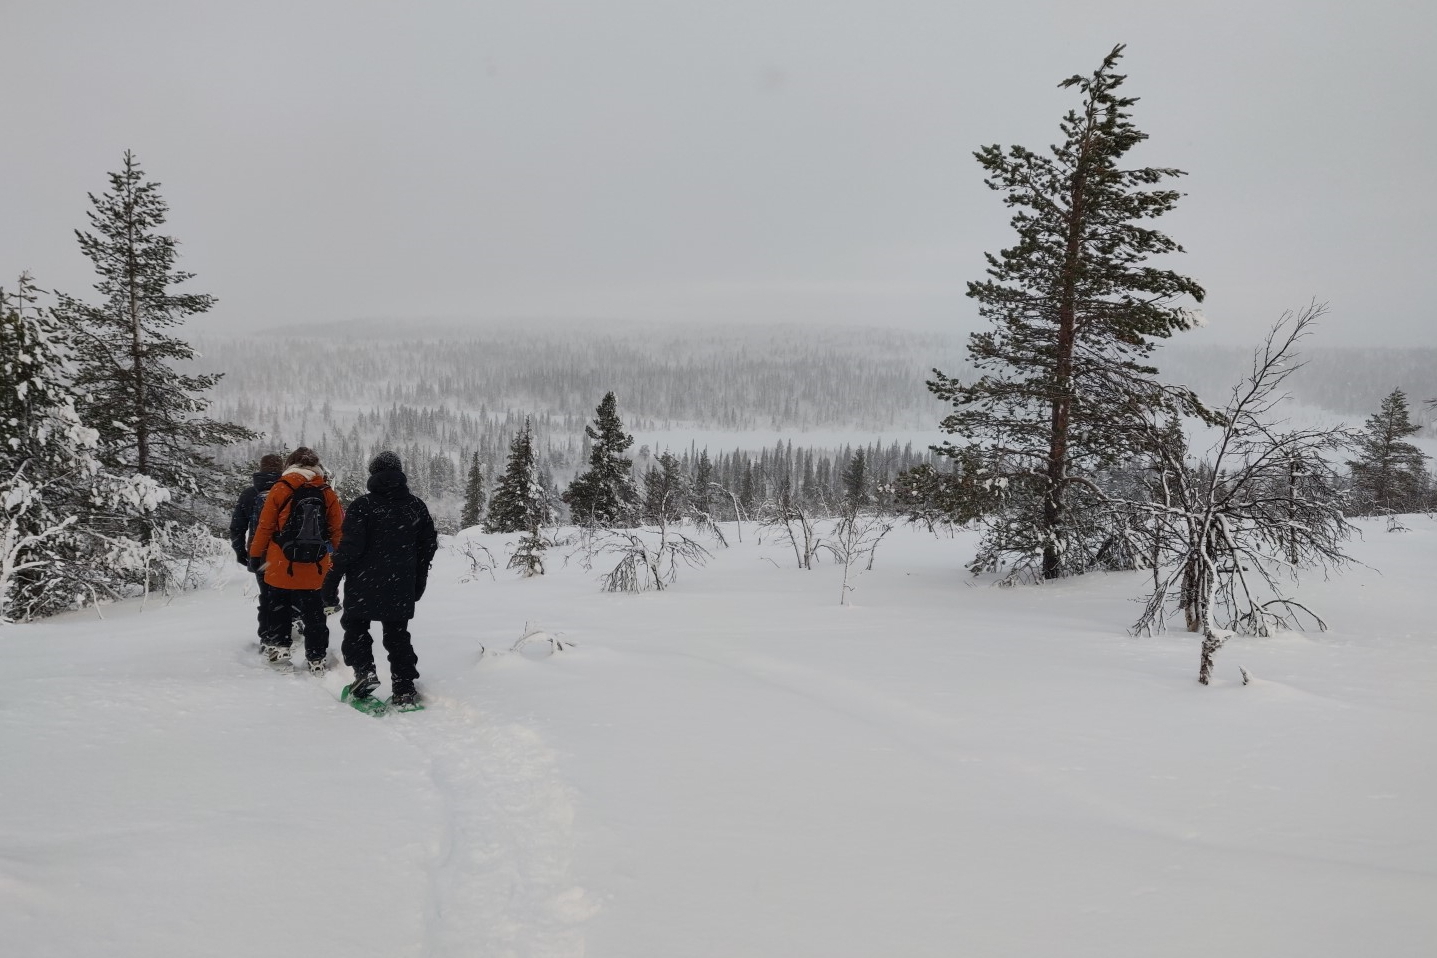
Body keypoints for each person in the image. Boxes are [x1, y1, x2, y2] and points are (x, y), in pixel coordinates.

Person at [323, 450, 438, 708]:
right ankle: (404, 687)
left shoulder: (363, 506)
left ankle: (365, 674)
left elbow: (348, 550)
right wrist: (417, 583)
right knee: (398, 635)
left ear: (373, 474)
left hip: (363, 582)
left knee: (355, 628)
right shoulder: (415, 506)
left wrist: (331, 582)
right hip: (401, 582)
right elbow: (427, 549)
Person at [248, 447, 344, 672]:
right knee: (315, 613)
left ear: (290, 464)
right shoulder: (326, 491)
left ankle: (280, 649)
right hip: (316, 564)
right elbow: (337, 530)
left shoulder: (280, 488)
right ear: (316, 466)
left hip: (281, 562)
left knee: (278, 607)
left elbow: (265, 526)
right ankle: (317, 658)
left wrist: (255, 555)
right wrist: (340, 559)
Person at [229, 454, 293, 651]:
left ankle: (267, 637)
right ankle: (285, 633)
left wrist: (241, 552)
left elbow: (237, 527)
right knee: (285, 595)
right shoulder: (288, 491)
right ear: (282, 470)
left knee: (266, 596)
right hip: (284, 553)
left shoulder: (249, 494)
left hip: (260, 554)